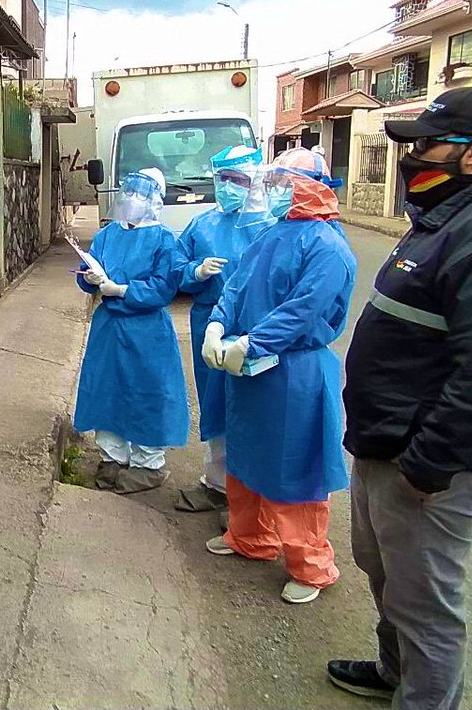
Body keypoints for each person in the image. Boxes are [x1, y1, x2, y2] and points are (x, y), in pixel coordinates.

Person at [329, 86, 472, 709]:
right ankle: (394, 671)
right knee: (385, 575)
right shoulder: (441, 221)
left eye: (427, 144)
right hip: (386, 445)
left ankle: (424, 696)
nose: (413, 156)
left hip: (426, 466)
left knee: (425, 606)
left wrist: (429, 465)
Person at [202, 147, 357, 605]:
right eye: (272, 183)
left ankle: (310, 565)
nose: (273, 192)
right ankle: (250, 536)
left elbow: (303, 311)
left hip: (295, 371)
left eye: (282, 184)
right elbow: (237, 286)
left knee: (295, 469)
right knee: (246, 455)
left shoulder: (328, 247)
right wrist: (217, 324)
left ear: (310, 188)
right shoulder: (271, 234)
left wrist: (252, 342)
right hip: (250, 368)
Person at [174, 145, 276, 513]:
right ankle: (218, 486)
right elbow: (176, 268)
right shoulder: (202, 225)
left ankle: (251, 501)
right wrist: (195, 271)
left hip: (256, 329)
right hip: (209, 324)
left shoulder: (270, 225)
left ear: (255, 182)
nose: (229, 186)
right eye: (223, 178)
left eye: (238, 180)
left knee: (254, 411)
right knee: (216, 404)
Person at [74, 168, 189, 494]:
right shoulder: (107, 235)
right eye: (129, 191)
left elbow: (164, 286)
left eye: (142, 193)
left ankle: (147, 465)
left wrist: (122, 290)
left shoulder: (164, 240)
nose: (133, 198)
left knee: (146, 395)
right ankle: (112, 457)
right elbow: (87, 270)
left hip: (147, 332)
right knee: (107, 391)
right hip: (109, 328)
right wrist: (89, 278)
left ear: (155, 201)